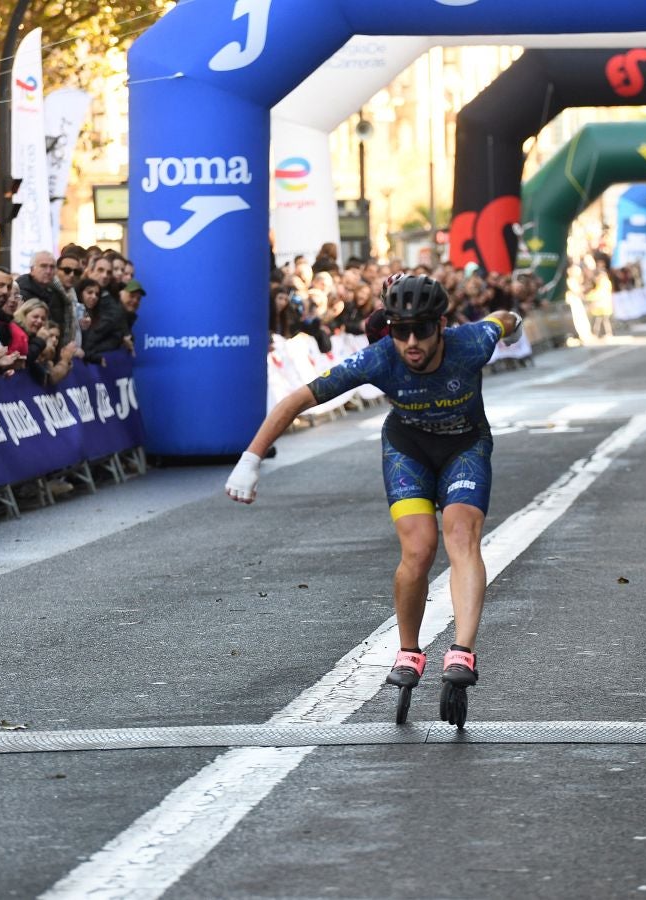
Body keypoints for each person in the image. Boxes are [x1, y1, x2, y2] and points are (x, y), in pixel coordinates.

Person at [223, 274, 523, 728]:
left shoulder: (471, 343)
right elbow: (295, 400)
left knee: (461, 535)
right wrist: (251, 459)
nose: (410, 341)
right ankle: (409, 651)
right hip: (409, 451)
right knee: (419, 549)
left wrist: (514, 322)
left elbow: (502, 318)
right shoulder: (379, 358)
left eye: (421, 329)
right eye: (399, 330)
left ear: (441, 325)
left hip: (466, 447)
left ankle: (461, 652)